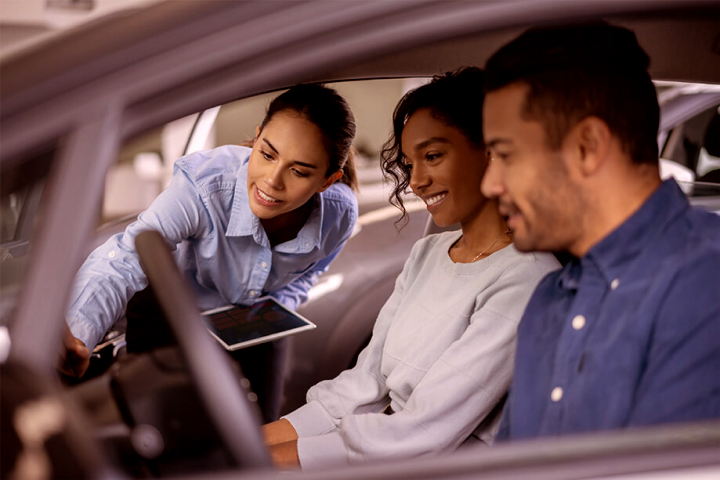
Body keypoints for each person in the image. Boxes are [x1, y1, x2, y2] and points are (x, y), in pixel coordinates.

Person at [262, 68, 560, 469]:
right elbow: (365, 382)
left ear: (492, 149)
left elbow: (422, 436)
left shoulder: (527, 277)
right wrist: (266, 438)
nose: (416, 181)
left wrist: (281, 459)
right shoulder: (429, 253)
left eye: (433, 156)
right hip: (385, 451)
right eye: (409, 163)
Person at [61, 83, 359, 421]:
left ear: (327, 180)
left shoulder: (340, 214)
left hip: (255, 324)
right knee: (163, 426)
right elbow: (125, 259)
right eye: (267, 154)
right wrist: (76, 332)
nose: (272, 181)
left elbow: (310, 274)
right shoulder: (203, 186)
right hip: (169, 315)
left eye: (299, 171)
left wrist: (276, 310)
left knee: (258, 431)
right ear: (257, 137)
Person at [480, 22, 720, 440]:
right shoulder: (547, 299)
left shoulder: (704, 285)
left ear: (587, 147)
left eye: (504, 154)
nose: (489, 184)